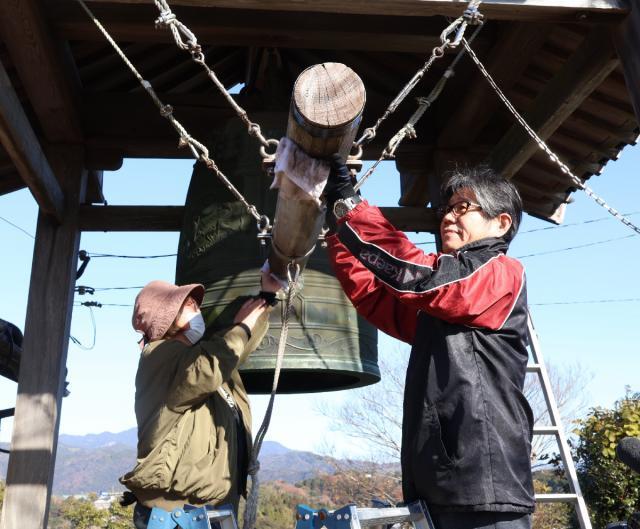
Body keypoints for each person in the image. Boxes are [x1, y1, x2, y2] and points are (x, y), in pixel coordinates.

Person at [323, 160, 535, 529]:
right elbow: (377, 296)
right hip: (442, 482)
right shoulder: (447, 296)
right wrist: (339, 229)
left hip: (484, 485)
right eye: (447, 208)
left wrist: (352, 210)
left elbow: (418, 277)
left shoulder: (501, 271)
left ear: (501, 223)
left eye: (464, 207)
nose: (449, 216)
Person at [121, 269, 280, 529]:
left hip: (212, 512)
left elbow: (230, 352)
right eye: (188, 305)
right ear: (167, 317)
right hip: (177, 516)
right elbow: (209, 366)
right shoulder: (158, 357)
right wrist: (240, 327)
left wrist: (267, 296)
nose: (198, 309)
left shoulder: (196, 360)